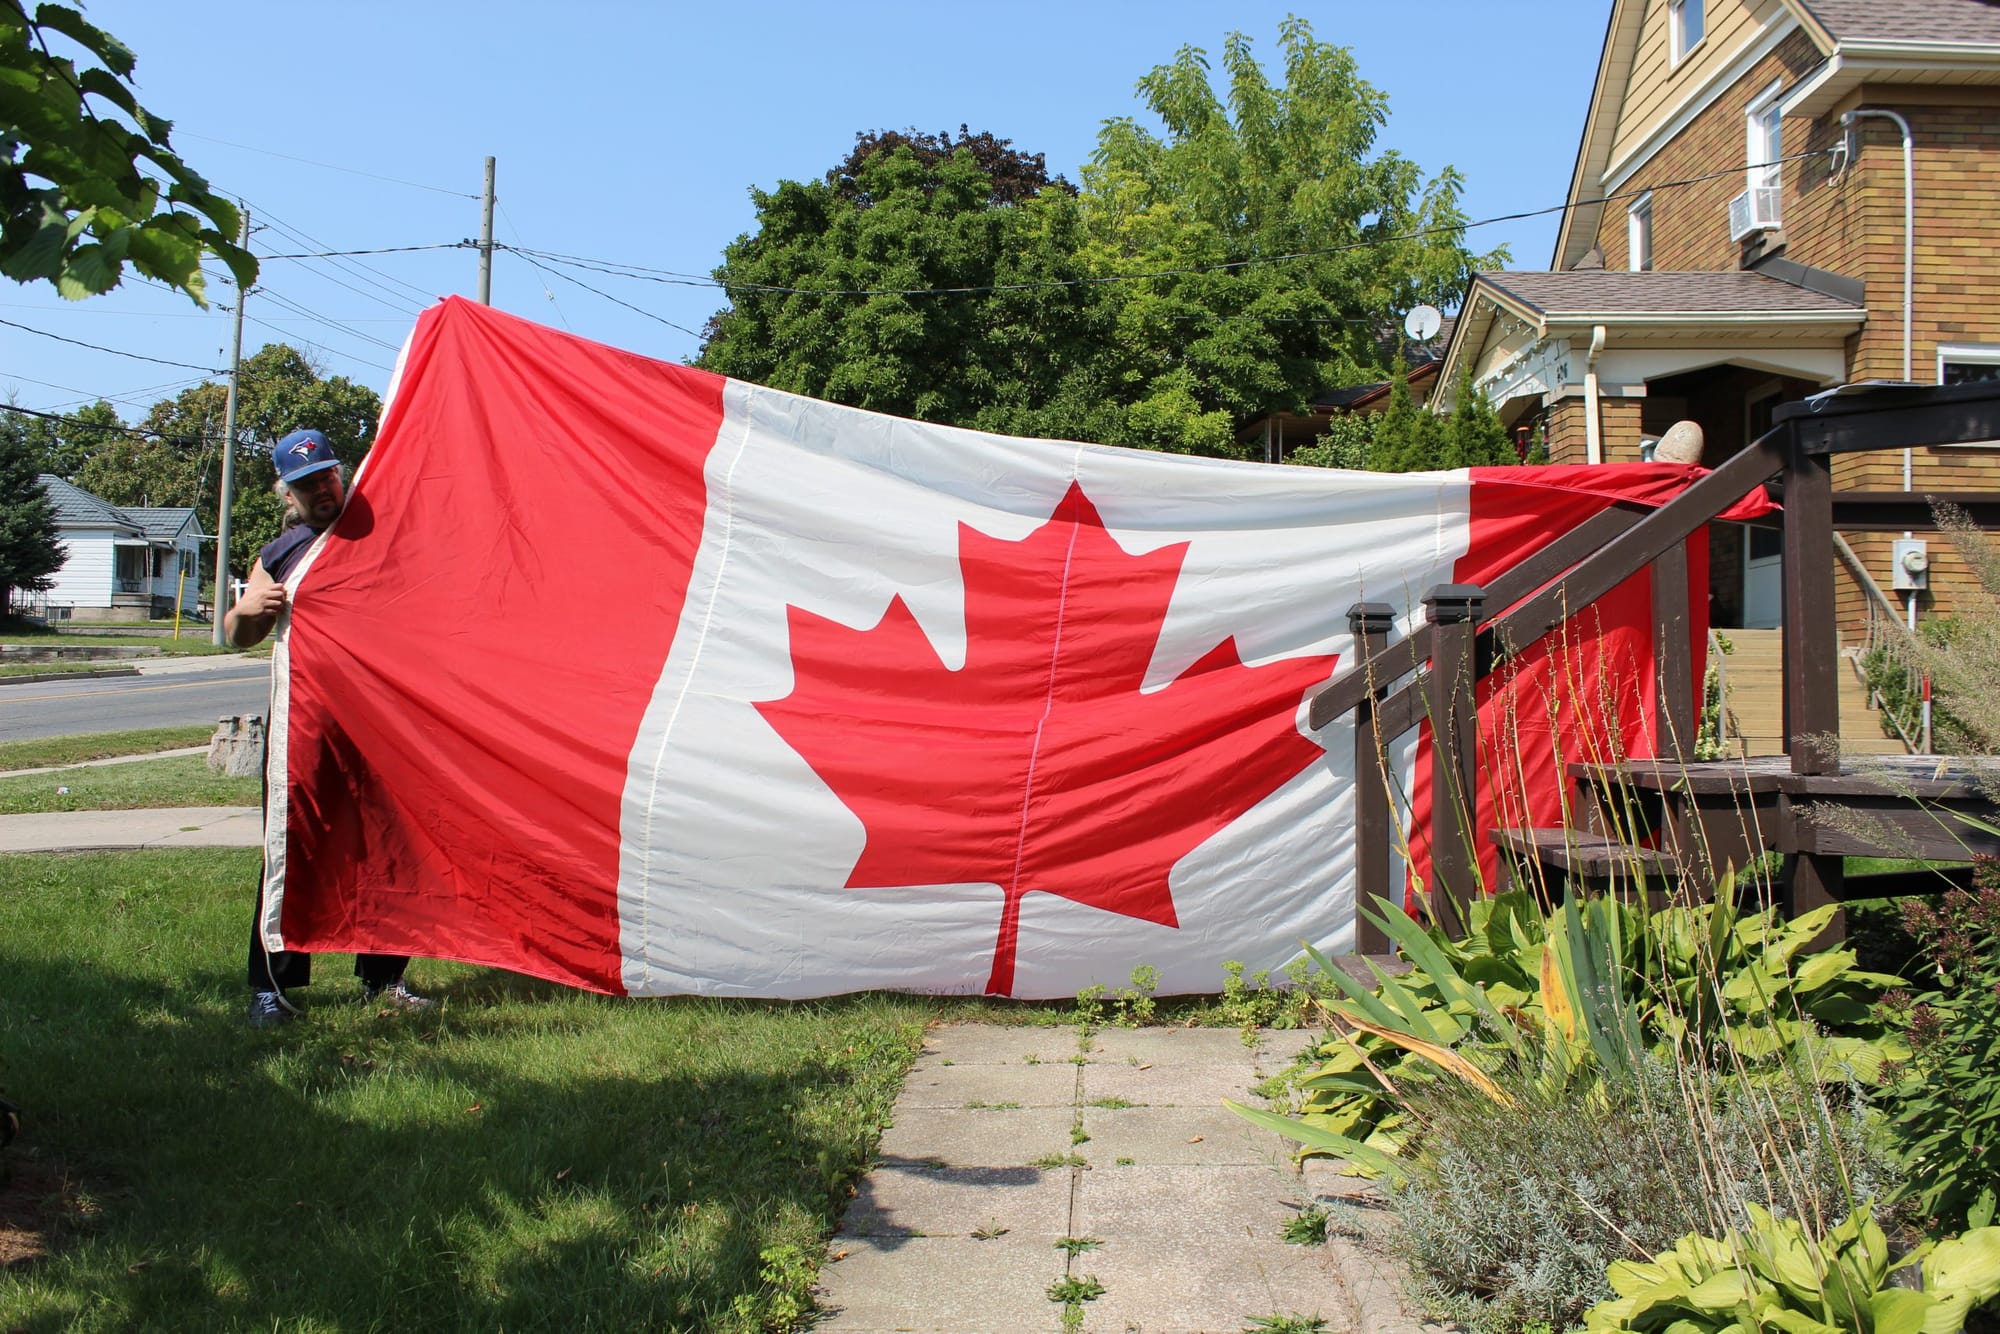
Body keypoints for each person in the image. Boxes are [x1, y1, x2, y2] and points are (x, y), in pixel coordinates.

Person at [226, 428, 435, 1028]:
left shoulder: (380, 534)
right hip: (309, 726)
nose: (321, 490)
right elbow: (238, 636)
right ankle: (271, 988)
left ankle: (384, 979)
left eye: (326, 477)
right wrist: (246, 612)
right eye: (305, 484)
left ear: (340, 474)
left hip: (383, 722)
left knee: (388, 845)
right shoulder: (278, 554)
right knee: (291, 848)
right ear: (284, 493)